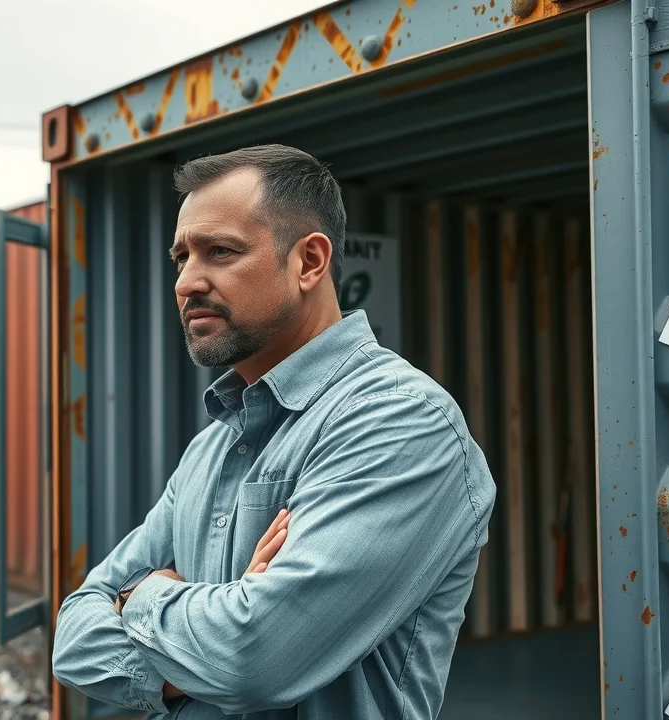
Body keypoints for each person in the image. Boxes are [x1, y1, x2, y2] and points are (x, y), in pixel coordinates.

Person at [50, 144, 496, 719]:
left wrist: (144, 596)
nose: (187, 282)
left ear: (309, 261)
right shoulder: (212, 444)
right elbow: (75, 637)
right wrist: (207, 630)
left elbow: (251, 658)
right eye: (181, 257)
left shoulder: (401, 422)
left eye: (220, 252)